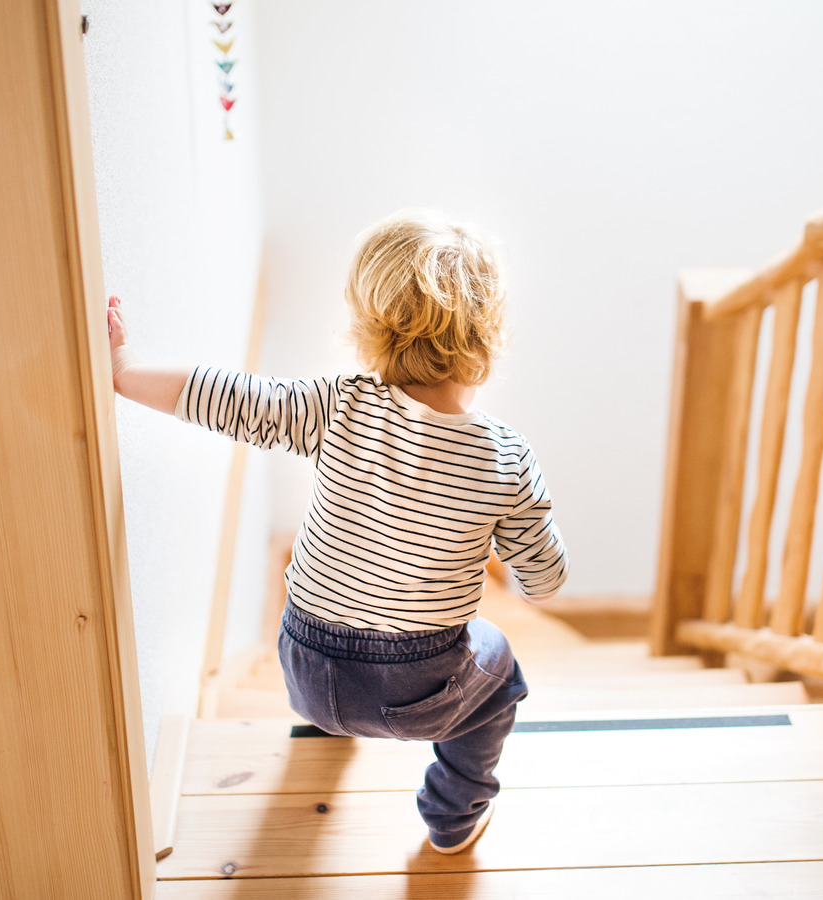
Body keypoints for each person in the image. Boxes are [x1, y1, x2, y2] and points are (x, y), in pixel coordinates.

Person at [107, 209, 568, 855]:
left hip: (304, 667)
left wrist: (125, 372)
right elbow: (541, 584)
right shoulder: (505, 458)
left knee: (339, 620)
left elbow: (230, 397)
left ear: (370, 326)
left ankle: (329, 728)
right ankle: (454, 815)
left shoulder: (338, 404)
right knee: (500, 672)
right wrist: (515, 548)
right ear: (490, 336)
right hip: (417, 694)